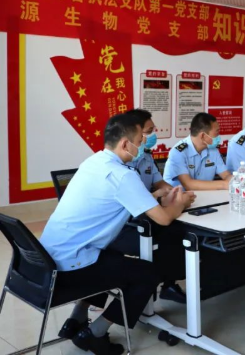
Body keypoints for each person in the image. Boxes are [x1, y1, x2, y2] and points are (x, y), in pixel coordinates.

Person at [40, 114, 194, 354]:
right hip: (70, 269)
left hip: (46, 261)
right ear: (125, 144)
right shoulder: (123, 175)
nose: (143, 144)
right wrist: (181, 203)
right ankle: (94, 334)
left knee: (112, 258)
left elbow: (124, 199)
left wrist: (154, 198)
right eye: (140, 140)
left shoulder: (94, 161)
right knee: (148, 273)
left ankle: (76, 320)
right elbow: (164, 219)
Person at [104, 109, 191, 304]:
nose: (151, 137)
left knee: (177, 230)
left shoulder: (144, 155)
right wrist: (176, 203)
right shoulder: (121, 167)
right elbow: (143, 205)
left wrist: (174, 192)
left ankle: (168, 283)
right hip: (124, 224)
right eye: (148, 132)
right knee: (171, 234)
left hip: (144, 214)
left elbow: (158, 182)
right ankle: (153, 283)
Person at [163, 112, 232, 190]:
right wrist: (224, 184)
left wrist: (235, 179)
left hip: (206, 195)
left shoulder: (213, 150)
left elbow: (226, 175)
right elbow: (188, 184)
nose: (218, 136)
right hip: (179, 196)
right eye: (216, 132)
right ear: (203, 136)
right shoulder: (178, 152)